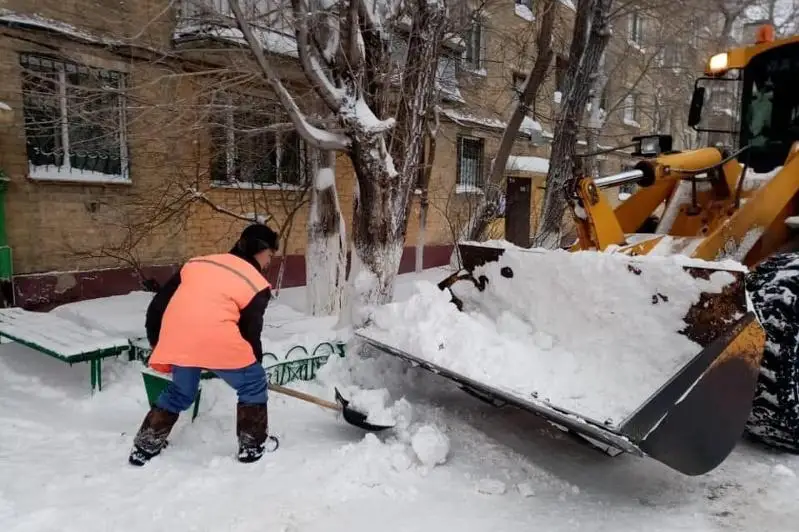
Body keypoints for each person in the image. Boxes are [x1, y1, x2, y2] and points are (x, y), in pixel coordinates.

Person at [128, 223, 280, 466]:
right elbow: (250, 333)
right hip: (216, 338)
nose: (269, 262)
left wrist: (158, 341)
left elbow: (160, 304)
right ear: (259, 250)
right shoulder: (255, 283)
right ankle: (252, 447)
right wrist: (254, 368)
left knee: (181, 391)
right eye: (270, 255)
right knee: (252, 383)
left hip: (178, 338)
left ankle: (145, 446)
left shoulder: (197, 264)